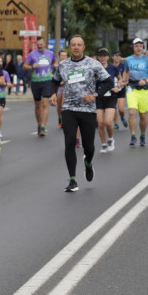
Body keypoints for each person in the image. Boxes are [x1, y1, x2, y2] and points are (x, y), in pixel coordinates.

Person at [52, 36, 113, 193]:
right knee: (70, 142)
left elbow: (109, 82)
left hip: (88, 109)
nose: (76, 47)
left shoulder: (93, 64)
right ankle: (72, 180)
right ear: (70, 47)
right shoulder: (63, 65)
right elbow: (55, 80)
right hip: (69, 108)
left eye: (79, 45)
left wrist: (95, 95)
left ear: (83, 47)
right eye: (73, 45)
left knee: (89, 147)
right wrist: (53, 94)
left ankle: (88, 163)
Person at [120, 38, 148, 147]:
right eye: (136, 46)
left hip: (144, 89)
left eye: (140, 46)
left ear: (142, 47)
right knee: (131, 112)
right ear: (133, 47)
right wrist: (124, 80)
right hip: (132, 88)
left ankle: (142, 135)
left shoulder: (147, 60)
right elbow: (126, 71)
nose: (138, 48)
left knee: (142, 114)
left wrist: (145, 81)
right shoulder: (128, 59)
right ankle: (133, 136)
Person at [23, 36, 55, 137]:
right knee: (38, 104)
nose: (40, 46)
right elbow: (25, 66)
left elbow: (55, 62)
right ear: (36, 45)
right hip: (36, 81)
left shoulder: (50, 53)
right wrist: (32, 66)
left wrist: (53, 69)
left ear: (44, 44)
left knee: (45, 103)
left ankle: (43, 127)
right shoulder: (32, 54)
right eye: (38, 45)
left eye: (41, 44)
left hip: (47, 81)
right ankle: (39, 124)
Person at [96, 48, 123, 153]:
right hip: (98, 98)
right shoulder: (95, 68)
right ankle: (103, 144)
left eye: (104, 56)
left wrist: (118, 86)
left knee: (108, 122)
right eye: (101, 56)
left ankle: (110, 139)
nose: (102, 58)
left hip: (111, 97)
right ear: (98, 57)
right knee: (100, 123)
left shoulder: (113, 68)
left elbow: (120, 78)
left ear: (108, 57)